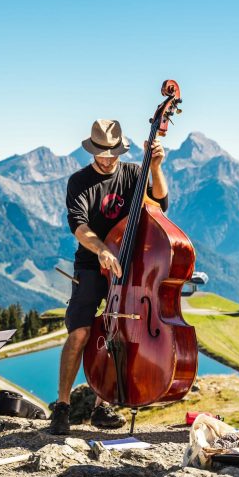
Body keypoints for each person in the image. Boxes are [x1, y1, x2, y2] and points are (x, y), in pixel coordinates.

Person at [49, 119, 168, 435]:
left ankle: (104, 405)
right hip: (91, 264)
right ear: (92, 150)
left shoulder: (132, 173)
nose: (107, 158)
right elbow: (79, 225)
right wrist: (101, 249)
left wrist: (154, 166)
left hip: (129, 266)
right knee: (80, 332)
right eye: (101, 152)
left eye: (112, 152)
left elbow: (161, 204)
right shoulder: (79, 181)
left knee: (124, 331)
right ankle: (62, 405)